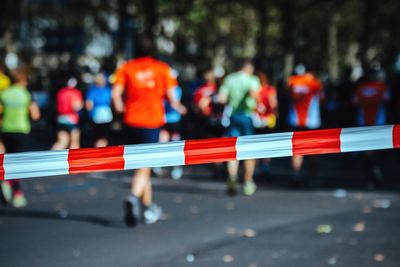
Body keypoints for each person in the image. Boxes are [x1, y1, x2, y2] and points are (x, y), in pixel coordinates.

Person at [112, 35, 186, 227]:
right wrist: (180, 107)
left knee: (142, 165)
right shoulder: (162, 69)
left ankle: (148, 208)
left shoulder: (127, 68)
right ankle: (134, 196)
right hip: (151, 122)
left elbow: (115, 95)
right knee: (145, 164)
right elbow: (172, 97)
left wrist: (120, 109)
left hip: (130, 121)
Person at [218, 60, 261, 196]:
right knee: (249, 150)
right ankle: (248, 182)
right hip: (247, 116)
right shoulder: (252, 79)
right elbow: (254, 94)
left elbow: (222, 98)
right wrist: (259, 104)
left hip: (233, 116)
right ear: (250, 68)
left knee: (233, 149)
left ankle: (232, 177)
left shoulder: (230, 79)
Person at [0, 69, 40, 208]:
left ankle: (7, 181)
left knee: (8, 158)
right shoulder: (26, 94)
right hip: (21, 130)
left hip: (5, 130)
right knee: (17, 163)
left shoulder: (4, 94)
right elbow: (35, 115)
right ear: (24, 81)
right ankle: (17, 192)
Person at [287, 64, 323, 185]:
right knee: (313, 150)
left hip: (295, 121)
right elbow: (322, 98)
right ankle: (313, 175)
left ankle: (296, 175)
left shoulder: (292, 82)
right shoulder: (315, 83)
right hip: (312, 122)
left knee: (297, 150)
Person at [354, 70, 389, 186]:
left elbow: (354, 101)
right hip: (379, 123)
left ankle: (372, 174)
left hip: (364, 123)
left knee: (368, 150)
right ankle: (375, 173)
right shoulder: (381, 87)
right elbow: (387, 99)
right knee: (377, 150)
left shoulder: (361, 88)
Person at [153, 78, 184, 180]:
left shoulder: (163, 88)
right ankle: (173, 167)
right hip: (170, 120)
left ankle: (163, 165)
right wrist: (181, 109)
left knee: (166, 143)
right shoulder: (175, 89)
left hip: (167, 119)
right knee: (173, 144)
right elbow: (174, 102)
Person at [254, 72, 278, 175]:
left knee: (255, 143)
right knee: (268, 142)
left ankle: (256, 168)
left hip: (257, 119)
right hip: (268, 119)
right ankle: (265, 166)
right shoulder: (270, 90)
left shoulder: (254, 89)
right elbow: (274, 105)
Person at [51, 78, 83, 150]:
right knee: (74, 142)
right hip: (71, 119)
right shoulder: (75, 92)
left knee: (62, 141)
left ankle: (50, 157)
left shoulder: (61, 92)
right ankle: (75, 160)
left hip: (61, 118)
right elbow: (76, 106)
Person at [86, 73, 113, 147]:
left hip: (100, 115)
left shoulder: (93, 91)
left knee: (100, 135)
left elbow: (89, 105)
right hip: (103, 115)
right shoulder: (108, 90)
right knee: (103, 135)